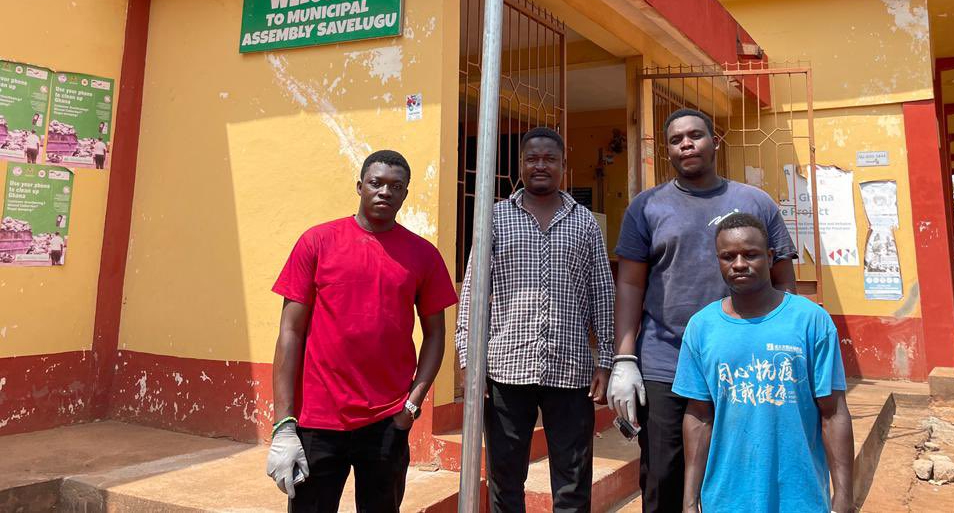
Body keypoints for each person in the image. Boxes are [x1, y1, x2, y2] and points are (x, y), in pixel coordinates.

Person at [609, 108, 798, 513]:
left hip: (743, 362)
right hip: (665, 362)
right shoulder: (646, 207)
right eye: (676, 140)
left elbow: (783, 278)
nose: (686, 144)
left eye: (695, 135)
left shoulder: (754, 202)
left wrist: (780, 344)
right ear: (668, 151)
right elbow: (629, 284)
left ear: (715, 142)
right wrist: (624, 358)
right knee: (663, 474)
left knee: (738, 468)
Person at [266, 150, 458, 512]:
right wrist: (284, 425)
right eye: (376, 182)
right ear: (359, 186)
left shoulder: (423, 255)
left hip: (387, 420)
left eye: (396, 186)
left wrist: (413, 404)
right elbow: (289, 332)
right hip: (317, 419)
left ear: (405, 194)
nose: (385, 191)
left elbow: (435, 335)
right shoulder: (317, 242)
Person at [456, 127, 615, 513]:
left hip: (571, 369)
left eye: (549, 159)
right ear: (521, 165)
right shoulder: (493, 218)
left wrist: (606, 360)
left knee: (573, 482)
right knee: (505, 480)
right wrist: (468, 358)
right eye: (532, 159)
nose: (540, 165)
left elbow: (603, 294)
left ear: (563, 166)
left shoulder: (585, 223)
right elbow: (475, 292)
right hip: (506, 368)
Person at [675, 213, 853, 513]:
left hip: (800, 499)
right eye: (728, 256)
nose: (740, 264)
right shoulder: (701, 327)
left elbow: (833, 413)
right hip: (726, 499)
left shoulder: (811, 321)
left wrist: (844, 496)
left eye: (751, 254)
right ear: (718, 261)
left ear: (770, 257)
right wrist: (690, 501)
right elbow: (698, 417)